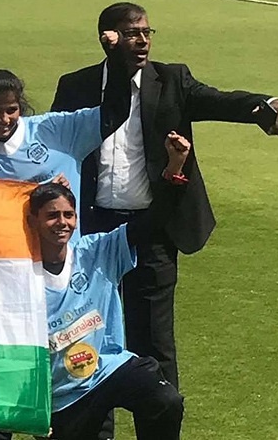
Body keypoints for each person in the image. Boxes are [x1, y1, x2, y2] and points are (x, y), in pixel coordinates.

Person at [49, 1, 278, 405]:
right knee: (88, 338)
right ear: (107, 38)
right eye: (131, 33)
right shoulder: (76, 85)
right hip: (93, 234)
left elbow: (219, 100)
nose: (142, 40)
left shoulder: (172, 79)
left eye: (147, 32)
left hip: (152, 229)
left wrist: (263, 106)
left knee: (155, 343)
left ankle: (160, 425)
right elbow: (56, 141)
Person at [26, 130, 191, 440]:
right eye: (51, 216)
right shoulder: (19, 277)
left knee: (166, 400)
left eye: (68, 215)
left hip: (108, 369)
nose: (62, 223)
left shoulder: (97, 251)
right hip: (62, 395)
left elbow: (152, 222)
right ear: (32, 221)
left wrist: (174, 168)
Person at [0, 41, 130, 244]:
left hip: (68, 260)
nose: (4, 119)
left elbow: (115, 112)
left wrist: (116, 57)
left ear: (20, 106)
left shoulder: (54, 129)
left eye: (11, 110)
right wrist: (43, 192)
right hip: (16, 262)